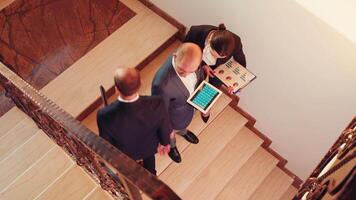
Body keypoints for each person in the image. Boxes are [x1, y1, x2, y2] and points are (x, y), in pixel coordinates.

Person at [97, 67, 171, 175]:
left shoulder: (104, 115)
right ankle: (152, 175)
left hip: (125, 153)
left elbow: (106, 143)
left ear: (116, 89)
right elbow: (163, 127)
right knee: (150, 162)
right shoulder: (157, 103)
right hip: (148, 147)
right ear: (141, 83)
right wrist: (165, 142)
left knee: (128, 171)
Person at [152, 43, 205, 163]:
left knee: (182, 126)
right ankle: (172, 146)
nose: (186, 75)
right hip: (172, 118)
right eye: (182, 70)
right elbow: (160, 113)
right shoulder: (161, 85)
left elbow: (199, 77)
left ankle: (183, 131)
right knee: (170, 135)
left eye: (191, 71)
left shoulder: (193, 62)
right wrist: (169, 131)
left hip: (185, 111)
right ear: (175, 56)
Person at [184, 23, 247, 122]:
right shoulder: (196, 31)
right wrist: (204, 65)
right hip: (198, 62)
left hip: (218, 69)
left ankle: (204, 106)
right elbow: (185, 50)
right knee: (193, 84)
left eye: (222, 57)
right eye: (214, 55)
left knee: (212, 88)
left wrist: (236, 84)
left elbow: (241, 62)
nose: (215, 58)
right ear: (210, 42)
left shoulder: (236, 40)